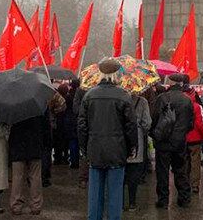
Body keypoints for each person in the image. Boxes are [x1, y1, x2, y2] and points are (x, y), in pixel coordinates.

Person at [78, 59, 137, 220]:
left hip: (95, 149)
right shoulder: (124, 96)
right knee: (115, 193)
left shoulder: (90, 95)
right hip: (117, 150)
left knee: (95, 194)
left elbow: (82, 125)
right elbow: (131, 126)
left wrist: (84, 148)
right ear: (117, 74)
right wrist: (132, 147)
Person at [151, 73, 194, 209]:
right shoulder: (187, 100)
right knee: (180, 170)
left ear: (169, 82)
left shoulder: (162, 98)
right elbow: (191, 123)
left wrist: (155, 134)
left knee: (162, 172)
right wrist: (181, 133)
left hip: (163, 141)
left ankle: (163, 200)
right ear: (181, 84)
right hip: (180, 141)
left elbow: (154, 118)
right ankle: (184, 199)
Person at [9, 110, 50, 215]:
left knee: (18, 177)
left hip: (17, 146)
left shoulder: (13, 104)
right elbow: (46, 127)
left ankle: (16, 205)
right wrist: (47, 143)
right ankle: (36, 206)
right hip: (35, 145)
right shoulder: (40, 105)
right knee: (35, 177)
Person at [124, 91, 151, 211]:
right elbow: (147, 123)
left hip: (120, 138)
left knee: (120, 173)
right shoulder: (142, 101)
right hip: (137, 138)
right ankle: (132, 203)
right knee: (133, 173)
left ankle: (119, 202)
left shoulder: (120, 99)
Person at [183, 81, 203, 194]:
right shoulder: (197, 106)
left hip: (182, 138)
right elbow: (201, 123)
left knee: (184, 161)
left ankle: (184, 183)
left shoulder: (179, 104)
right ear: (193, 94)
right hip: (195, 139)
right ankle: (194, 185)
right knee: (195, 162)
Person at [64, 80, 80, 169]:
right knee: (78, 141)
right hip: (77, 119)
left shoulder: (68, 97)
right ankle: (77, 159)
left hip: (69, 120)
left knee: (72, 141)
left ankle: (73, 160)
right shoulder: (80, 97)